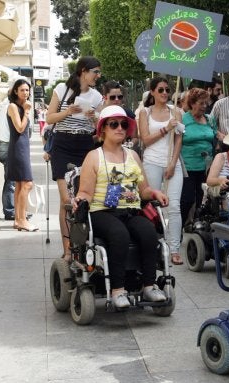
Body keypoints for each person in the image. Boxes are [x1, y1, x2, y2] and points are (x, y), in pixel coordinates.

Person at [72, 105, 169, 308]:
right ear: (103, 129)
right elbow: (86, 192)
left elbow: (143, 190)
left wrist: (154, 193)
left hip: (130, 210)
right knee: (119, 234)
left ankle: (149, 286)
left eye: (124, 124)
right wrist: (79, 200)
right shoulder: (94, 156)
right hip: (101, 211)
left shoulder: (133, 156)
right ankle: (117, 290)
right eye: (114, 124)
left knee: (149, 233)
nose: (120, 128)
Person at [46, 56, 103, 260]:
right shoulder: (62, 89)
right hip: (62, 145)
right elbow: (49, 117)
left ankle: (83, 245)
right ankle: (68, 248)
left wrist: (95, 117)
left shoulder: (97, 96)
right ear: (83, 71)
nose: (98, 75)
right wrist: (68, 111)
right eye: (95, 71)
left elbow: (101, 128)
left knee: (84, 198)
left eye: (99, 72)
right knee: (66, 200)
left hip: (85, 146)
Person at [139, 77, 185, 265]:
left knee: (174, 207)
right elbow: (145, 140)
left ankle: (174, 249)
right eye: (161, 90)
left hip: (172, 164)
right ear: (152, 92)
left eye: (167, 89)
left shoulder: (176, 112)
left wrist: (173, 163)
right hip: (151, 162)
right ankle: (152, 245)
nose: (165, 93)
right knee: (151, 207)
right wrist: (166, 128)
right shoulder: (145, 112)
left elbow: (179, 139)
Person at [180, 88, 217, 226]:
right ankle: (180, 225)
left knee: (202, 198)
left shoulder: (210, 119)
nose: (204, 106)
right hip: (188, 166)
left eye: (206, 103)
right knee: (188, 199)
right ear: (193, 103)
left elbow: (214, 136)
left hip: (206, 166)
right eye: (201, 103)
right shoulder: (183, 119)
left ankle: (197, 223)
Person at [6, 79, 36, 231]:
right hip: (18, 148)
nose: (26, 92)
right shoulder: (13, 107)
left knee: (19, 185)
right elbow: (19, 128)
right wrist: (28, 111)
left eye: (27, 90)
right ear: (15, 91)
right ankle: (23, 220)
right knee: (27, 183)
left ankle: (18, 220)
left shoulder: (22, 106)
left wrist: (25, 109)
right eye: (22, 90)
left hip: (22, 147)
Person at [0, 94, 15, 220]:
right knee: (11, 181)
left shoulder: (2, 105)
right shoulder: (12, 108)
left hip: (3, 145)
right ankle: (10, 211)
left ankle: (13, 210)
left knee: (11, 180)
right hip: (9, 146)